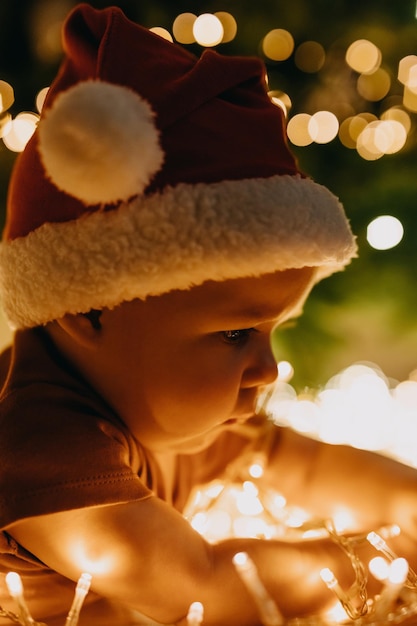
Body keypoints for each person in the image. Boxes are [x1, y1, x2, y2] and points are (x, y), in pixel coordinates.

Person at [0, 4, 416, 626]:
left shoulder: (177, 412)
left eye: (276, 330)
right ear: (88, 310)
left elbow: (300, 463)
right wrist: (374, 563)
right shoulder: (39, 446)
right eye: (234, 333)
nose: (268, 370)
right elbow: (200, 586)